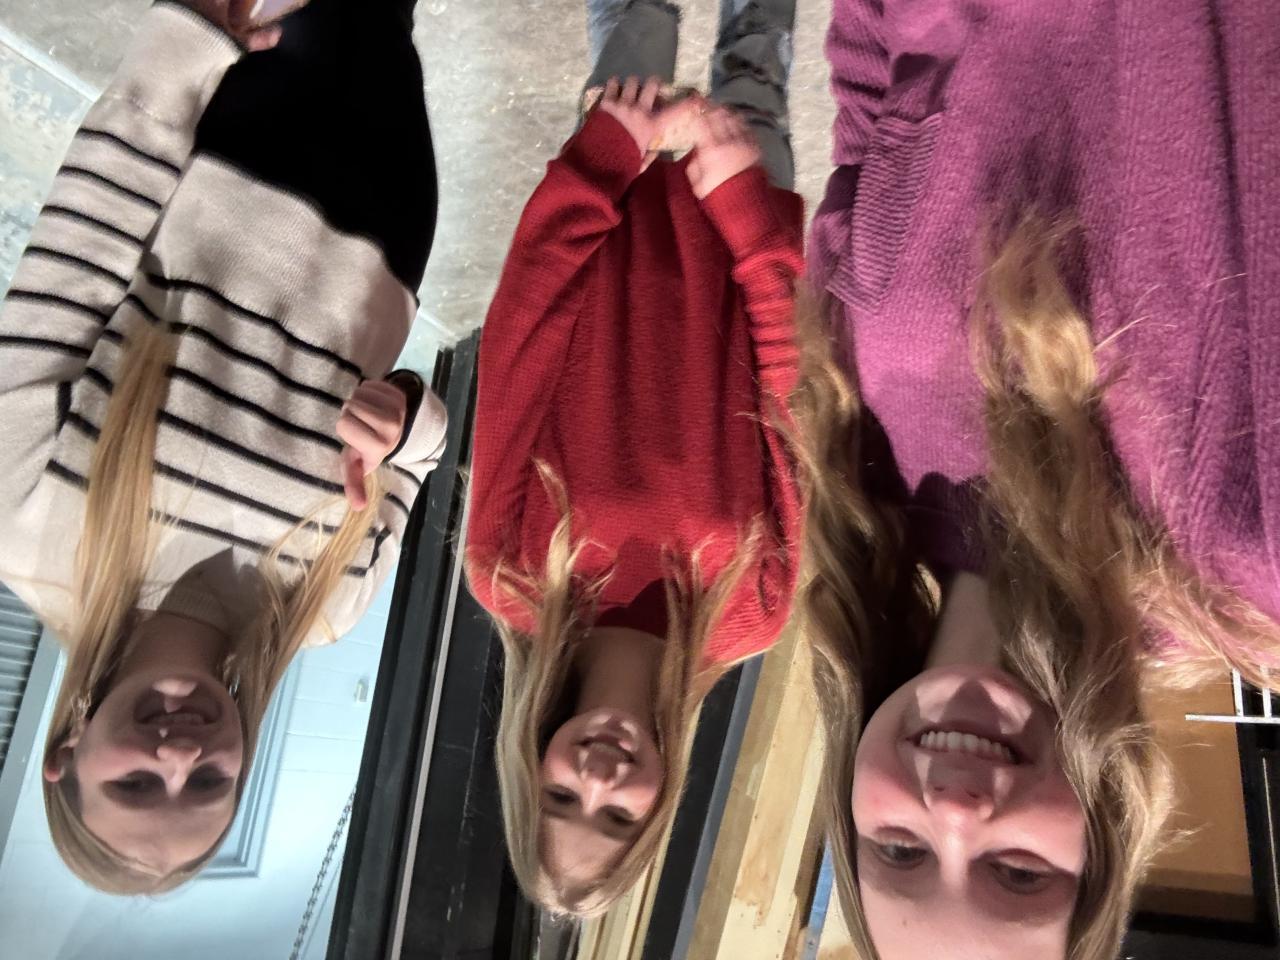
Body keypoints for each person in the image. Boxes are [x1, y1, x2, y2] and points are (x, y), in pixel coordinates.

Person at [797, 1, 1279, 957]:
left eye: (899, 850)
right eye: (1017, 873)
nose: (954, 810)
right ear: (1102, 835)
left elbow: (875, 122)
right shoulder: (1245, 548)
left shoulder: (866, 466)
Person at [0, 0, 447, 894]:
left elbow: (77, 253)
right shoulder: (322, 609)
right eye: (208, 786)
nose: (181, 756)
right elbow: (420, 457)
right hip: (392, 218)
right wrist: (405, 419)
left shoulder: (24, 529)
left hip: (243, 138)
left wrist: (179, 54)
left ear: (66, 753)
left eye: (136, 784)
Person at [465, 0, 805, 917]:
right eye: (618, 818)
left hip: (611, 202)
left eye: (561, 799)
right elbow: (798, 397)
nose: (600, 779)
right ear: (658, 813)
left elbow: (522, 330)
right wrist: (748, 212)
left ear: (528, 768)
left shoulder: (508, 572)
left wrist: (606, 158)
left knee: (634, 23)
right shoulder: (753, 612)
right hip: (740, 218)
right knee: (760, 48)